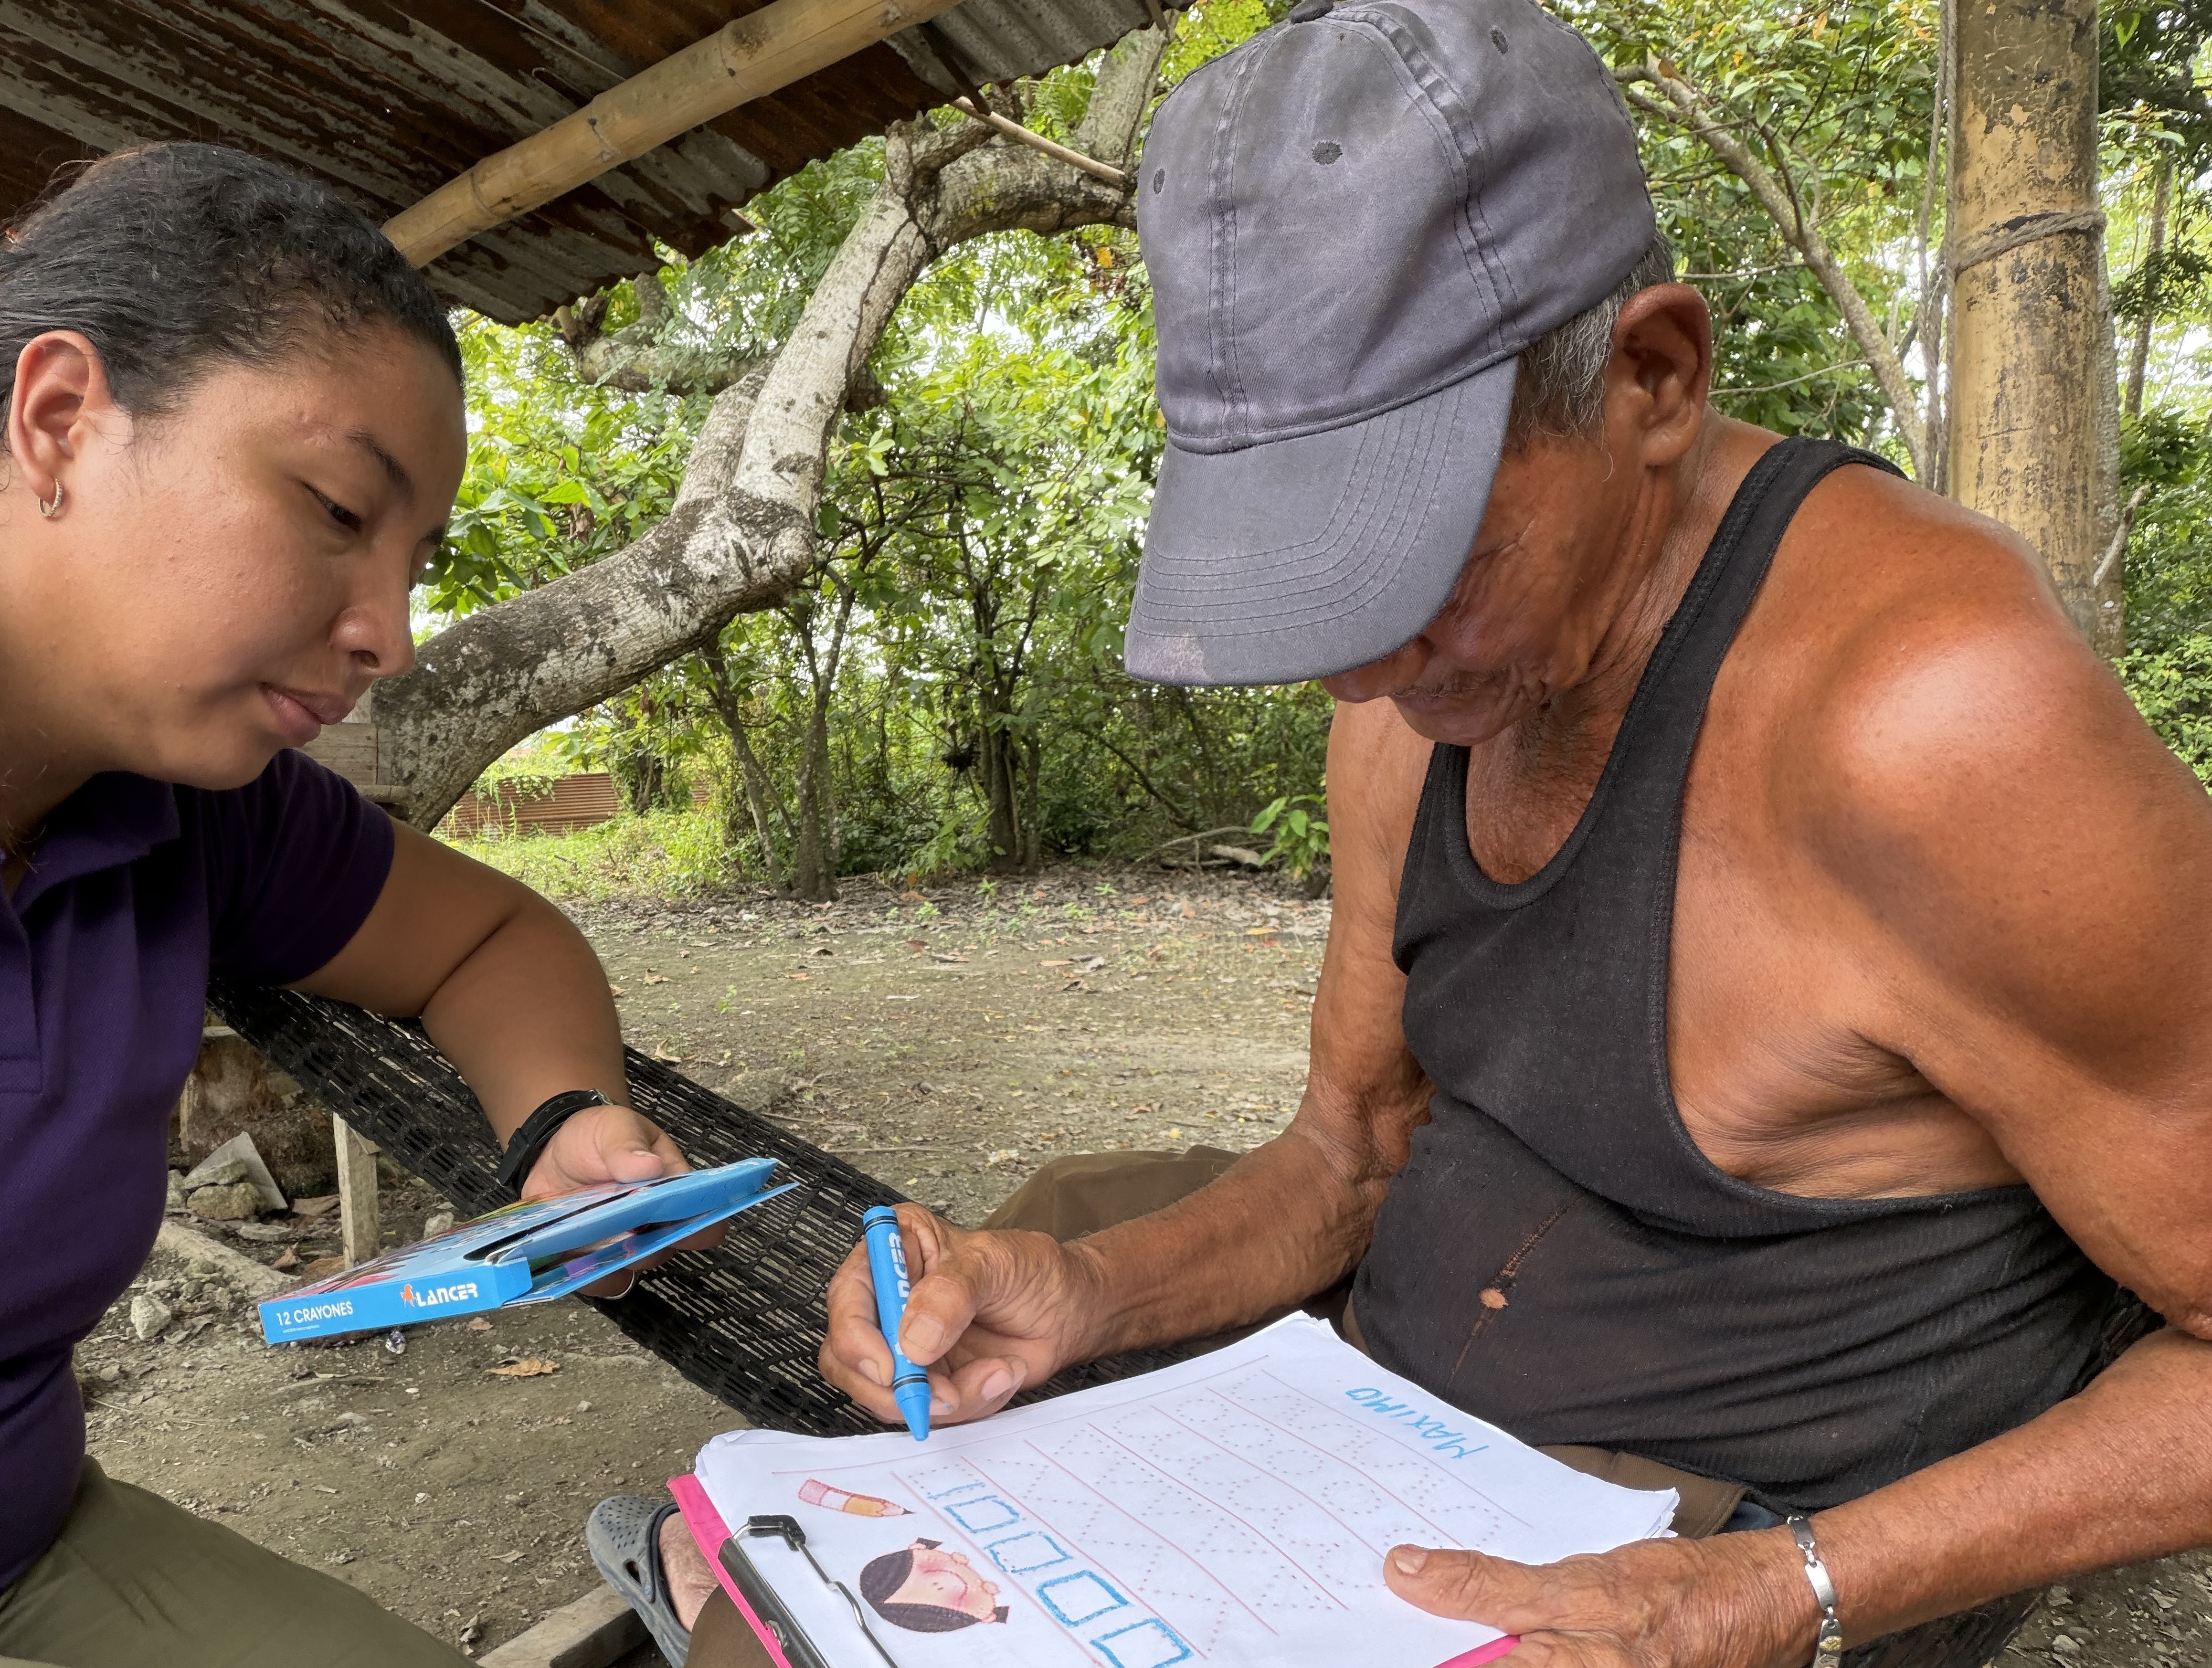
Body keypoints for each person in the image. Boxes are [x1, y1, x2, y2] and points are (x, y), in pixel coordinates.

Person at [795, 0, 2212, 1665]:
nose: (1357, 673)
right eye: (1312, 587)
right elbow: (1349, 1157)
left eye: (1421, 568)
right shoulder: (1415, 705)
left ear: (1652, 380)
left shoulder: (1935, 725)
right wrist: (1084, 1296)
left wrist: (1770, 1593)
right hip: (1376, 1422)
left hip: (1722, 1536)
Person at [0, 144, 712, 1668]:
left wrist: (566, 1120)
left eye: (414, 561)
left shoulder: (197, 807)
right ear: (60, 420)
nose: (389, 631)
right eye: (336, 508)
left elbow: (492, 939)